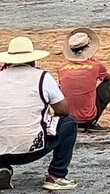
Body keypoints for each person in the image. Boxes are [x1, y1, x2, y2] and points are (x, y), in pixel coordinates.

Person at [0, 37, 78, 191]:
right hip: (33, 149)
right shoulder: (42, 77)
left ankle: (2, 167)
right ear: (33, 60)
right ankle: (56, 175)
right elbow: (63, 110)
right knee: (69, 123)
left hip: (1, 150)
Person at [58, 28, 110, 131]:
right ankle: (92, 121)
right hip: (87, 119)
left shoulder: (61, 68)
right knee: (108, 84)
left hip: (67, 118)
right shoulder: (96, 66)